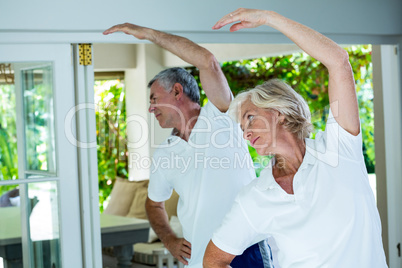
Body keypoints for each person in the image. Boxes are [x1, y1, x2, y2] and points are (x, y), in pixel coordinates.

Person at [203, 8, 388, 268]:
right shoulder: (255, 198)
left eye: (250, 118)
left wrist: (270, 18)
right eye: (241, 126)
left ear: (278, 112)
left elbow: (338, 61)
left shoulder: (339, 149)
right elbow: (213, 261)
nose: (245, 133)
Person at [103, 24, 272, 268]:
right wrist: (170, 239)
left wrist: (151, 35)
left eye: (154, 99)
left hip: (245, 252)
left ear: (177, 91)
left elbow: (208, 62)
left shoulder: (221, 117)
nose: (151, 108)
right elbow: (154, 204)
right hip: (198, 259)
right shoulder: (164, 153)